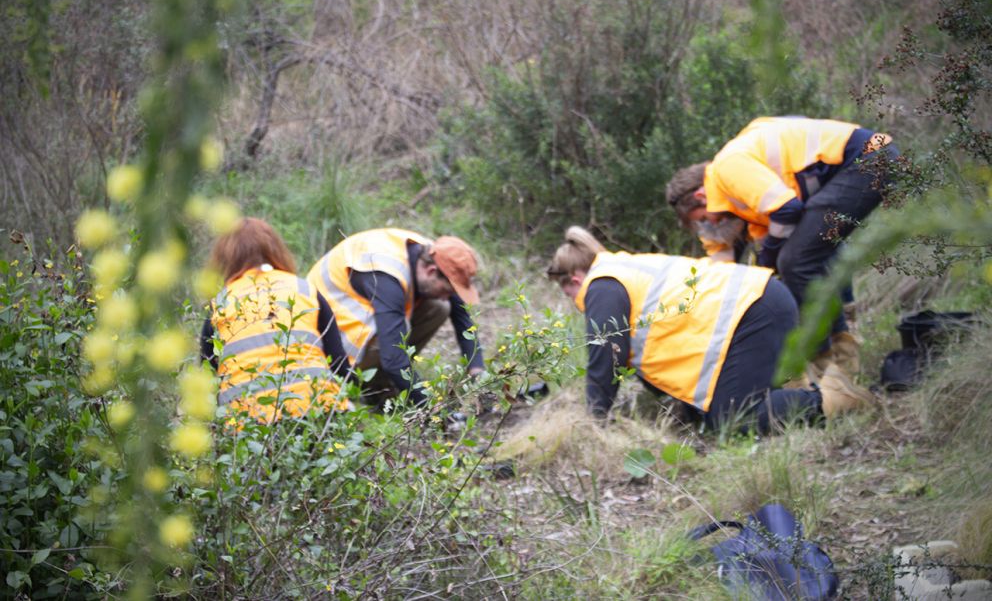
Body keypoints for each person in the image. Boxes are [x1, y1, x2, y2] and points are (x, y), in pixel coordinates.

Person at [547, 226, 874, 433]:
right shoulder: (622, 267)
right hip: (763, 303)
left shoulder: (601, 285)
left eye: (569, 295)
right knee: (715, 411)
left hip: (753, 313)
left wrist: (594, 420)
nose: (577, 302)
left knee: (735, 419)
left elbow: (607, 351)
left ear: (574, 280)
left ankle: (834, 396)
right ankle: (793, 389)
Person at [664, 116, 898, 368]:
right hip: (864, 159)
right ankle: (843, 341)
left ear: (701, 195)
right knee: (804, 250)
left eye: (703, 219)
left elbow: (787, 210)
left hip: (867, 157)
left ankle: (828, 359)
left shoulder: (728, 169)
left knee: (795, 261)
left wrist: (769, 260)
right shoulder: (740, 202)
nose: (710, 225)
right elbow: (730, 266)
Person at [307, 228, 484, 407]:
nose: (447, 296)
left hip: (357, 312)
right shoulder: (387, 275)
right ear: (431, 271)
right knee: (399, 332)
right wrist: (433, 409)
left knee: (440, 307)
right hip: (328, 344)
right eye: (446, 290)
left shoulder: (429, 254)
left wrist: (477, 370)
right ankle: (371, 387)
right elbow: (393, 358)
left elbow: (460, 313)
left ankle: (385, 382)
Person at [201, 217, 352, 423]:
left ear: (224, 260)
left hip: (250, 427)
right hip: (319, 414)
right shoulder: (304, 289)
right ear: (276, 250)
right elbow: (339, 364)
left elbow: (207, 382)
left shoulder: (219, 304)